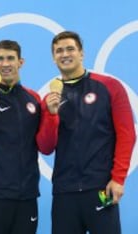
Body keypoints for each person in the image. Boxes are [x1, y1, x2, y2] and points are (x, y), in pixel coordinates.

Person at [43, 31, 136, 234]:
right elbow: (46, 147)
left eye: (70, 49)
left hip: (101, 188)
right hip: (64, 192)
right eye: (59, 51)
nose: (64, 54)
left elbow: (127, 134)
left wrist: (118, 178)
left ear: (82, 53)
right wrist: (51, 115)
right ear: (53, 57)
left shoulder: (110, 86)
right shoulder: (51, 98)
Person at [0, 40, 57, 234]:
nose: (5, 64)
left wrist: (51, 114)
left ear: (20, 62)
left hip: (28, 197)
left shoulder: (33, 99)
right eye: (0, 59)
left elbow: (46, 147)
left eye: (10, 58)